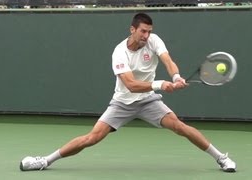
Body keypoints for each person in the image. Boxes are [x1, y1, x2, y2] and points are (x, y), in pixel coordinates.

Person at [20, 13, 236, 173]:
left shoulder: (154, 40)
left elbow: (167, 60)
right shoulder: (119, 52)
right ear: (132, 29)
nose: (146, 35)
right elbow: (131, 85)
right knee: (91, 138)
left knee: (180, 127)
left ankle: (221, 158)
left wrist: (177, 76)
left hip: (148, 101)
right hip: (123, 102)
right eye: (143, 31)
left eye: (149, 31)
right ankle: (45, 161)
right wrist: (160, 84)